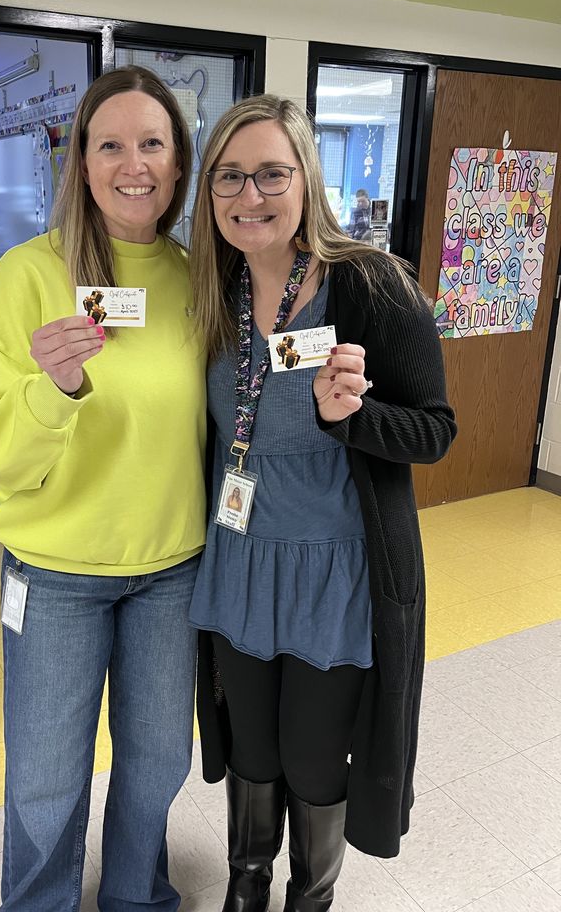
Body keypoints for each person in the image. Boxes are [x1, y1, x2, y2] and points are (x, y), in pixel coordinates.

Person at [0, 66, 207, 912]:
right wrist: (49, 390)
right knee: (48, 780)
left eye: (153, 143)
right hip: (55, 577)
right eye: (111, 145)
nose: (134, 163)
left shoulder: (197, 278)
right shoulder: (28, 275)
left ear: (177, 162)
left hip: (172, 570)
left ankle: (137, 897)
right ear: (82, 163)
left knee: (161, 760)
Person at [187, 95, 456, 911]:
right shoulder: (215, 293)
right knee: (252, 751)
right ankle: (247, 884)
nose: (251, 195)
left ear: (307, 179)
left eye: (272, 172)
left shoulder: (371, 284)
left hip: (334, 574)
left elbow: (437, 431)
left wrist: (357, 417)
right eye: (230, 176)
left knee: (310, 759)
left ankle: (311, 898)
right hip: (239, 561)